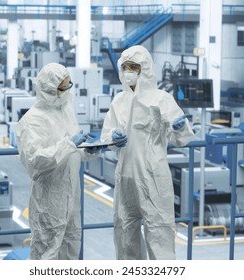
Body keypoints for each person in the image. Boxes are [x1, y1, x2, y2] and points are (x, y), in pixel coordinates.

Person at [101, 45, 195, 260]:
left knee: (159, 232)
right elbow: (107, 137)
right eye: (125, 67)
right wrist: (113, 138)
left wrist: (180, 127)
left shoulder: (161, 98)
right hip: (125, 176)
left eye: (134, 67)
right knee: (125, 233)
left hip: (153, 176)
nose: (129, 72)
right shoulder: (118, 101)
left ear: (145, 69)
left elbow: (180, 138)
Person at [15, 63, 101, 260]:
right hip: (49, 200)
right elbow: (35, 160)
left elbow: (73, 152)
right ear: (48, 90)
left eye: (68, 86)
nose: (66, 92)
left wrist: (89, 151)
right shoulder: (32, 121)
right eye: (62, 88)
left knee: (71, 248)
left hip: (72, 197)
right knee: (46, 253)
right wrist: (69, 145)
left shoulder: (66, 112)